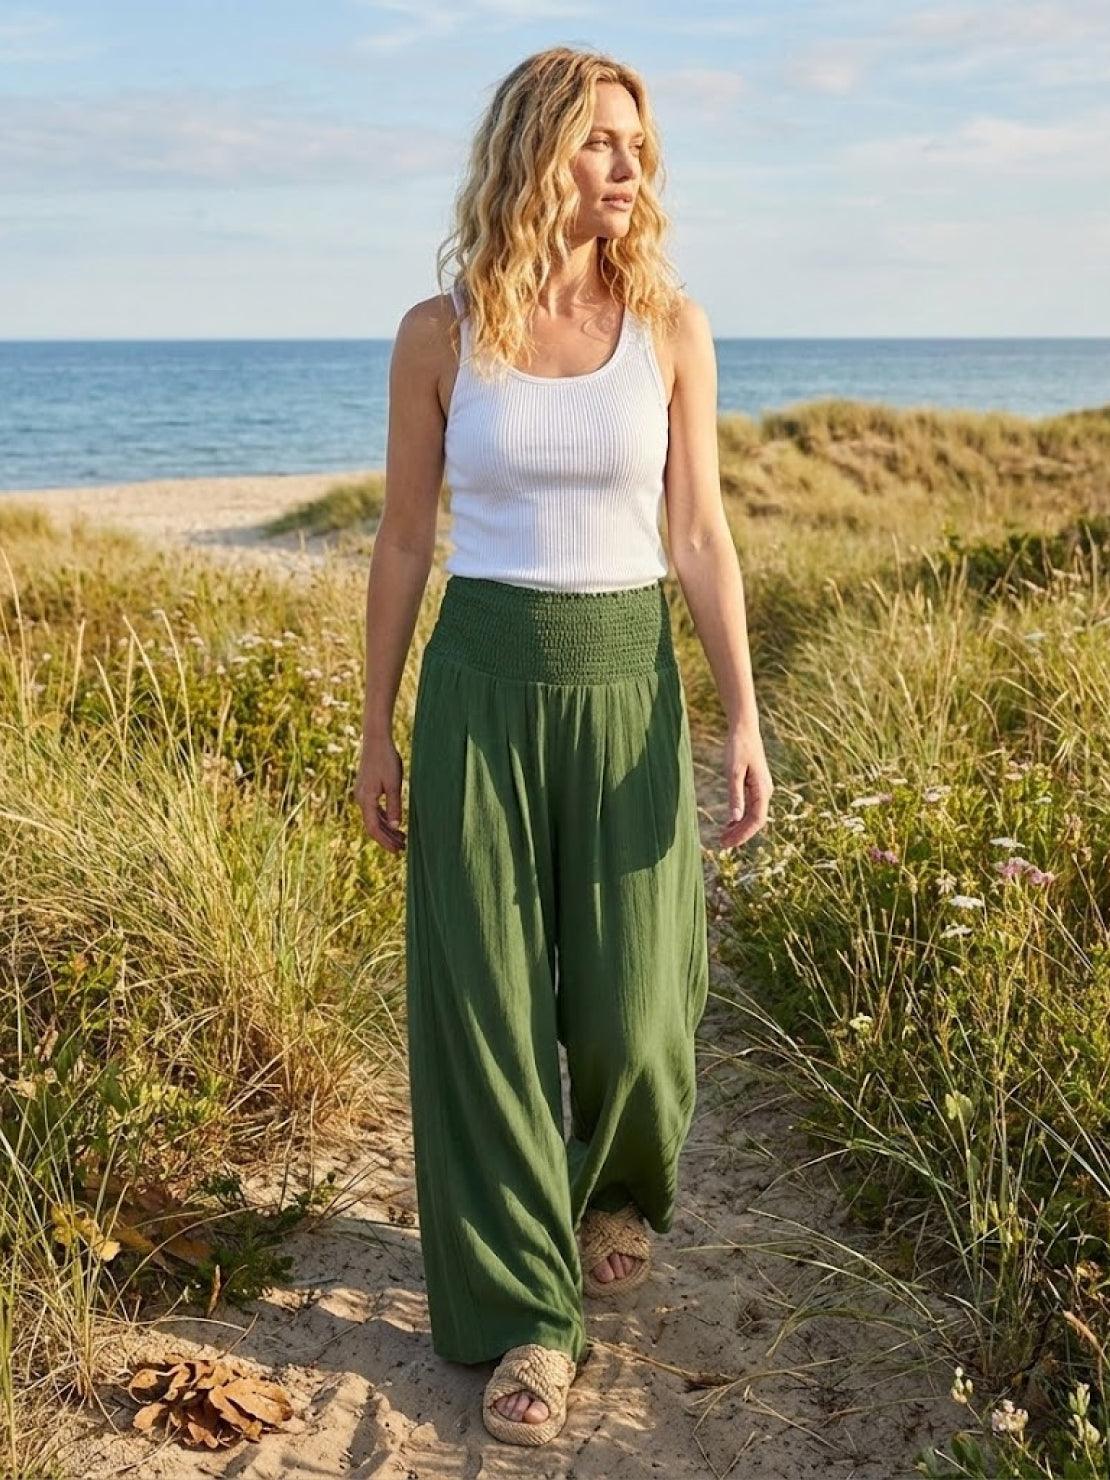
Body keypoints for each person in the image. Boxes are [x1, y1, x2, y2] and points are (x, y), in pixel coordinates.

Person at [355, 45, 771, 1448]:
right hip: (480, 678)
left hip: (628, 677)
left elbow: (701, 535)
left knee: (640, 1004)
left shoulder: (672, 329)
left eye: (637, 147)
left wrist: (744, 716)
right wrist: (375, 729)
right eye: (601, 142)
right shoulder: (439, 331)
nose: (628, 168)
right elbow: (406, 538)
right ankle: (527, 1316)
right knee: (480, 1012)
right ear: (537, 151)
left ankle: (617, 1188)